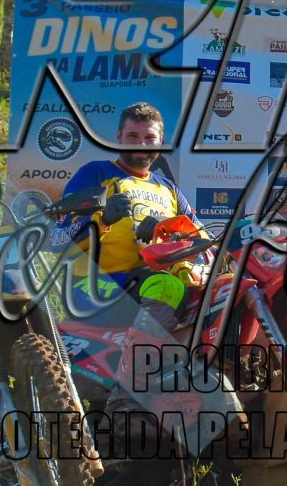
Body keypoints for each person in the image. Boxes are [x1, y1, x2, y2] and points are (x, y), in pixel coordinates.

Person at [62, 102, 207, 328]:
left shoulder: (169, 188)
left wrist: (167, 226)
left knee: (214, 290)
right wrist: (102, 220)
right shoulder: (95, 173)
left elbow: (203, 239)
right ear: (119, 136)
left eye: (150, 138)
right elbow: (58, 239)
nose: (142, 144)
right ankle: (141, 351)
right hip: (92, 285)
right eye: (133, 136)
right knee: (166, 287)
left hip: (149, 281)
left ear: (160, 141)